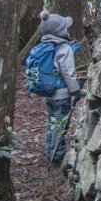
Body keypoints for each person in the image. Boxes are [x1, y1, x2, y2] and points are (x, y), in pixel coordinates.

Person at [37, 11, 82, 164]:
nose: (67, 30)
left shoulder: (44, 46)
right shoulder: (64, 48)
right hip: (62, 95)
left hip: (48, 94)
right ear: (60, 31)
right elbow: (68, 72)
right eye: (65, 28)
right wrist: (75, 90)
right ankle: (58, 157)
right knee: (60, 126)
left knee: (51, 123)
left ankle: (49, 152)